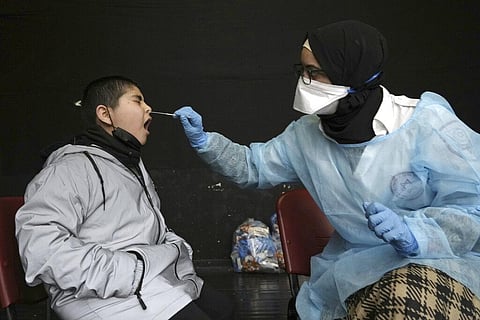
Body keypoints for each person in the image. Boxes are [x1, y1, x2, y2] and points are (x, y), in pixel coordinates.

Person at [173, 20, 480, 319]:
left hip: (438, 262)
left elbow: (473, 206)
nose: (304, 82)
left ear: (352, 73)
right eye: (302, 71)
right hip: (356, 270)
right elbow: (253, 167)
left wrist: (417, 234)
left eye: (314, 73)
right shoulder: (306, 135)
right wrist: (206, 142)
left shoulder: (426, 126)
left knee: (406, 302)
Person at [15, 76, 233, 320]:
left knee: (223, 308)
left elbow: (145, 230)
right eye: (137, 100)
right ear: (105, 114)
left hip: (144, 281)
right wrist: (130, 272)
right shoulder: (68, 168)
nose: (148, 108)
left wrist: (173, 249)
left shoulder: (129, 163)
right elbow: (42, 250)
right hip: (99, 297)